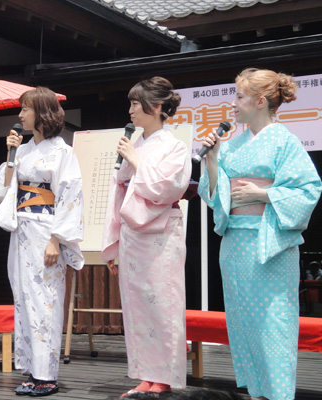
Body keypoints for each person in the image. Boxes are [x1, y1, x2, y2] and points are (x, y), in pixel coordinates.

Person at [197, 68, 322, 400]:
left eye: (239, 97)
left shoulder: (285, 142)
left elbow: (308, 190)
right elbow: (215, 195)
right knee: (243, 321)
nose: (233, 104)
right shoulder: (232, 145)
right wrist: (213, 159)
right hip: (235, 244)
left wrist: (263, 194)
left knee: (274, 322)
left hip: (270, 244)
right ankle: (256, 392)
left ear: (261, 101)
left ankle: (278, 394)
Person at [102, 76, 191, 398]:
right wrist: (112, 243)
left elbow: (169, 189)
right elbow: (117, 193)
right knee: (137, 305)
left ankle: (163, 378)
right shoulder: (136, 144)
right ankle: (146, 375)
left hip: (161, 234)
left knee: (163, 304)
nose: (130, 111)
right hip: (132, 234)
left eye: (135, 104)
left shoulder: (175, 146)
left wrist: (135, 162)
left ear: (156, 107)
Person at [0, 87, 84, 396]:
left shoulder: (63, 152)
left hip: (46, 230)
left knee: (45, 300)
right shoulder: (22, 150)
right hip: (22, 232)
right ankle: (31, 371)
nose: (20, 115)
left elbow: (69, 195)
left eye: (25, 109)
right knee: (24, 299)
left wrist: (56, 240)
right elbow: (3, 193)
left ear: (42, 112)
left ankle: (47, 376)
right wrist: (10, 157)